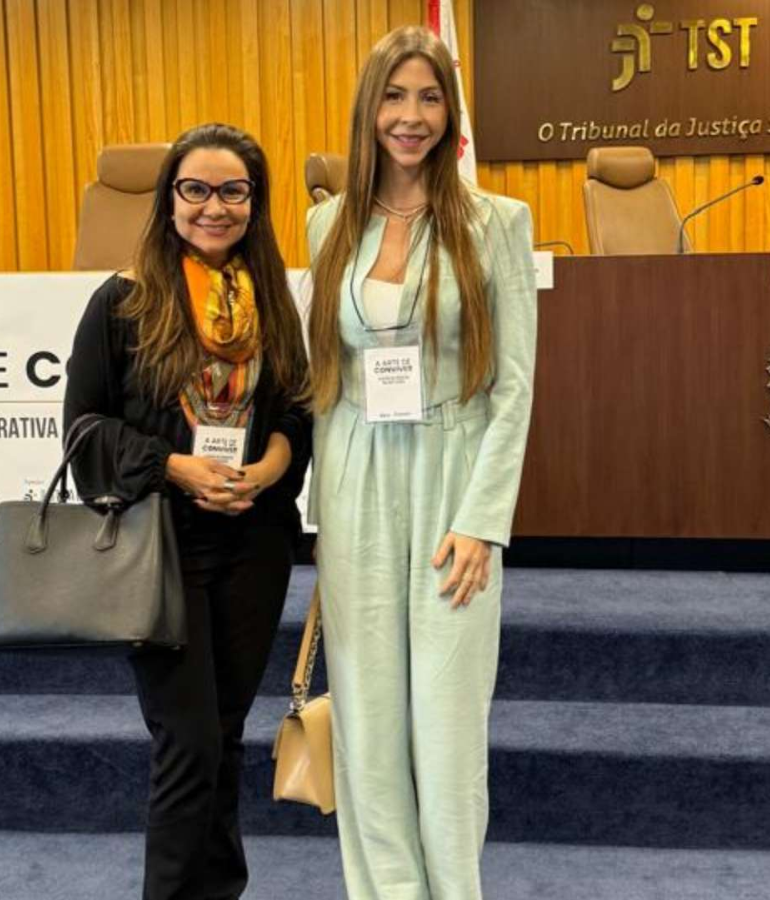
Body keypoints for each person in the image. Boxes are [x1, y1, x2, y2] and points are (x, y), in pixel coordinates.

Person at [304, 25, 538, 900]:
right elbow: (324, 380)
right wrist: (320, 512)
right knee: (366, 721)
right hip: (358, 474)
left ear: (451, 112)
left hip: (452, 471)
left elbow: (513, 387)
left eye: (428, 97)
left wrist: (484, 521)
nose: (411, 116)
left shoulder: (495, 222)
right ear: (370, 110)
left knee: (444, 723)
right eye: (394, 97)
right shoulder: (328, 223)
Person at [61, 122, 311, 900]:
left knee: (227, 737)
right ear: (169, 197)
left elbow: (296, 417)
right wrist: (175, 467)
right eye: (195, 189)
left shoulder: (270, 298)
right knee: (189, 741)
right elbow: (83, 430)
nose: (213, 207)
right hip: (158, 544)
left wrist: (267, 472)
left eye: (232, 191)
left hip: (253, 542)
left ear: (254, 202)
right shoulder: (124, 298)